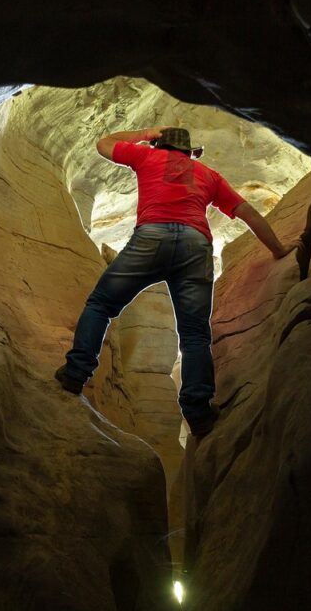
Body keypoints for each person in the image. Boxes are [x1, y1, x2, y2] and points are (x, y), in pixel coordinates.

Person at [54, 126, 296, 438]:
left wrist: (147, 132)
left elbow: (104, 143)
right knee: (195, 334)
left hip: (151, 239)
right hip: (195, 246)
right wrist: (279, 249)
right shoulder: (209, 175)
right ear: (190, 152)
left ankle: (76, 373)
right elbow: (247, 213)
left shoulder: (147, 157)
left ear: (158, 145)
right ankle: (198, 414)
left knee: (101, 304)